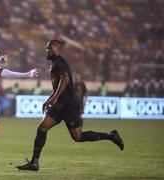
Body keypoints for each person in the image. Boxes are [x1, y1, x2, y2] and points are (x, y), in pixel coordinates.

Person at [15, 40, 124, 171]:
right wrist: (50, 99)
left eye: (50, 48)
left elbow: (65, 79)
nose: (47, 50)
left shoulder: (59, 63)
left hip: (69, 105)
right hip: (61, 104)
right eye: (46, 48)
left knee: (77, 137)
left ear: (57, 49)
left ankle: (110, 136)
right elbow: (58, 86)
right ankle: (34, 162)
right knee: (42, 128)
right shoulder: (55, 63)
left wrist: (54, 98)